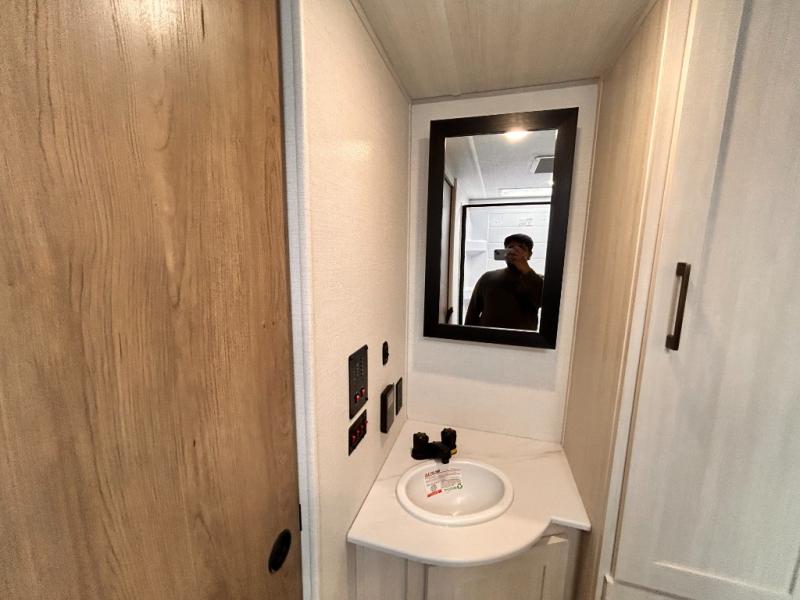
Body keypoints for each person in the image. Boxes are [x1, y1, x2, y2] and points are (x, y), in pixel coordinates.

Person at [465, 233, 543, 330]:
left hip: (522, 338)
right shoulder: (488, 277)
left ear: (529, 254)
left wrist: (525, 268)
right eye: (510, 247)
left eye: (521, 248)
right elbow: (472, 313)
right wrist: (468, 335)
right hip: (487, 337)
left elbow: (542, 301)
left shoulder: (538, 279)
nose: (514, 251)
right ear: (504, 253)